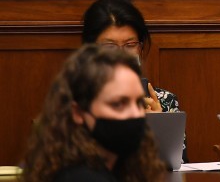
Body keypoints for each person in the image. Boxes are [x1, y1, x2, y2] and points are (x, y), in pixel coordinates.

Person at [21, 44, 166, 182]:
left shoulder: (117, 166)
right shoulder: (81, 177)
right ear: (78, 112)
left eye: (139, 103)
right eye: (118, 104)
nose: (136, 114)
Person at [81, 0, 181, 115]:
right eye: (109, 46)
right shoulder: (74, 103)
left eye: (130, 45)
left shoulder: (165, 102)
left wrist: (156, 124)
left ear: (140, 48)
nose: (121, 55)